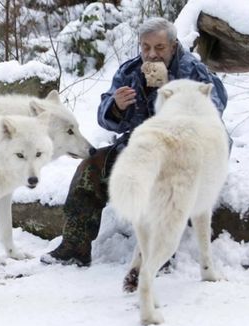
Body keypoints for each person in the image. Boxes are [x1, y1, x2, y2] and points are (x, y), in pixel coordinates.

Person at [40, 17, 228, 267]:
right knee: (91, 168)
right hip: (139, 148)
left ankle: (158, 254)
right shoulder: (129, 72)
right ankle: (74, 246)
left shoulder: (194, 72)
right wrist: (116, 107)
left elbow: (216, 108)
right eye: (146, 47)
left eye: (159, 48)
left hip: (183, 155)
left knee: (162, 179)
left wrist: (175, 98)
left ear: (173, 46)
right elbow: (103, 117)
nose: (151, 55)